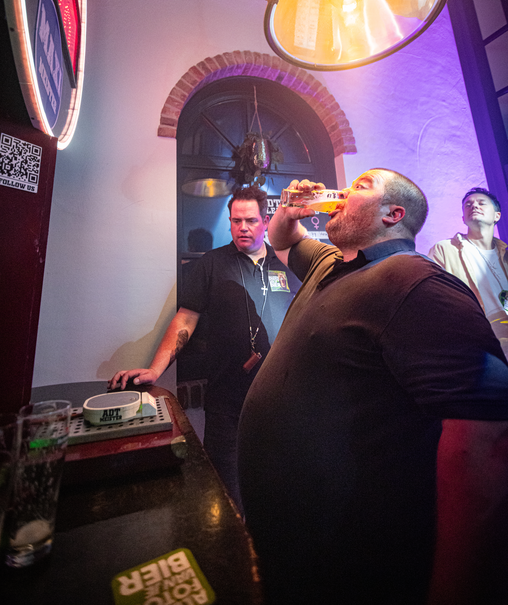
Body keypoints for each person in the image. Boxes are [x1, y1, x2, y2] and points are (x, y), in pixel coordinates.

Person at [237, 170, 508, 605]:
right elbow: (282, 239)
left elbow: (488, 441)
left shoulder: (416, 281)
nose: (344, 191)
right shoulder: (329, 263)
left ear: (393, 214)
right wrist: (290, 208)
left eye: (361, 186)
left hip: (353, 562)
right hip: (292, 547)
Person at [109, 184, 300, 512]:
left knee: (279, 495)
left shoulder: (287, 263)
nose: (243, 227)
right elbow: (185, 320)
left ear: (265, 221)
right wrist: (155, 369)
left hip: (280, 404)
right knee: (224, 499)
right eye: (236, 220)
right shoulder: (212, 263)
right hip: (227, 404)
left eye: (251, 220)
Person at [429, 187, 508, 353]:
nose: (474, 206)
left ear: (497, 216)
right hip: (477, 345)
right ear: (463, 219)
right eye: (468, 205)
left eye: (481, 203)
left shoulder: (505, 253)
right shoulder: (444, 249)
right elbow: (433, 299)